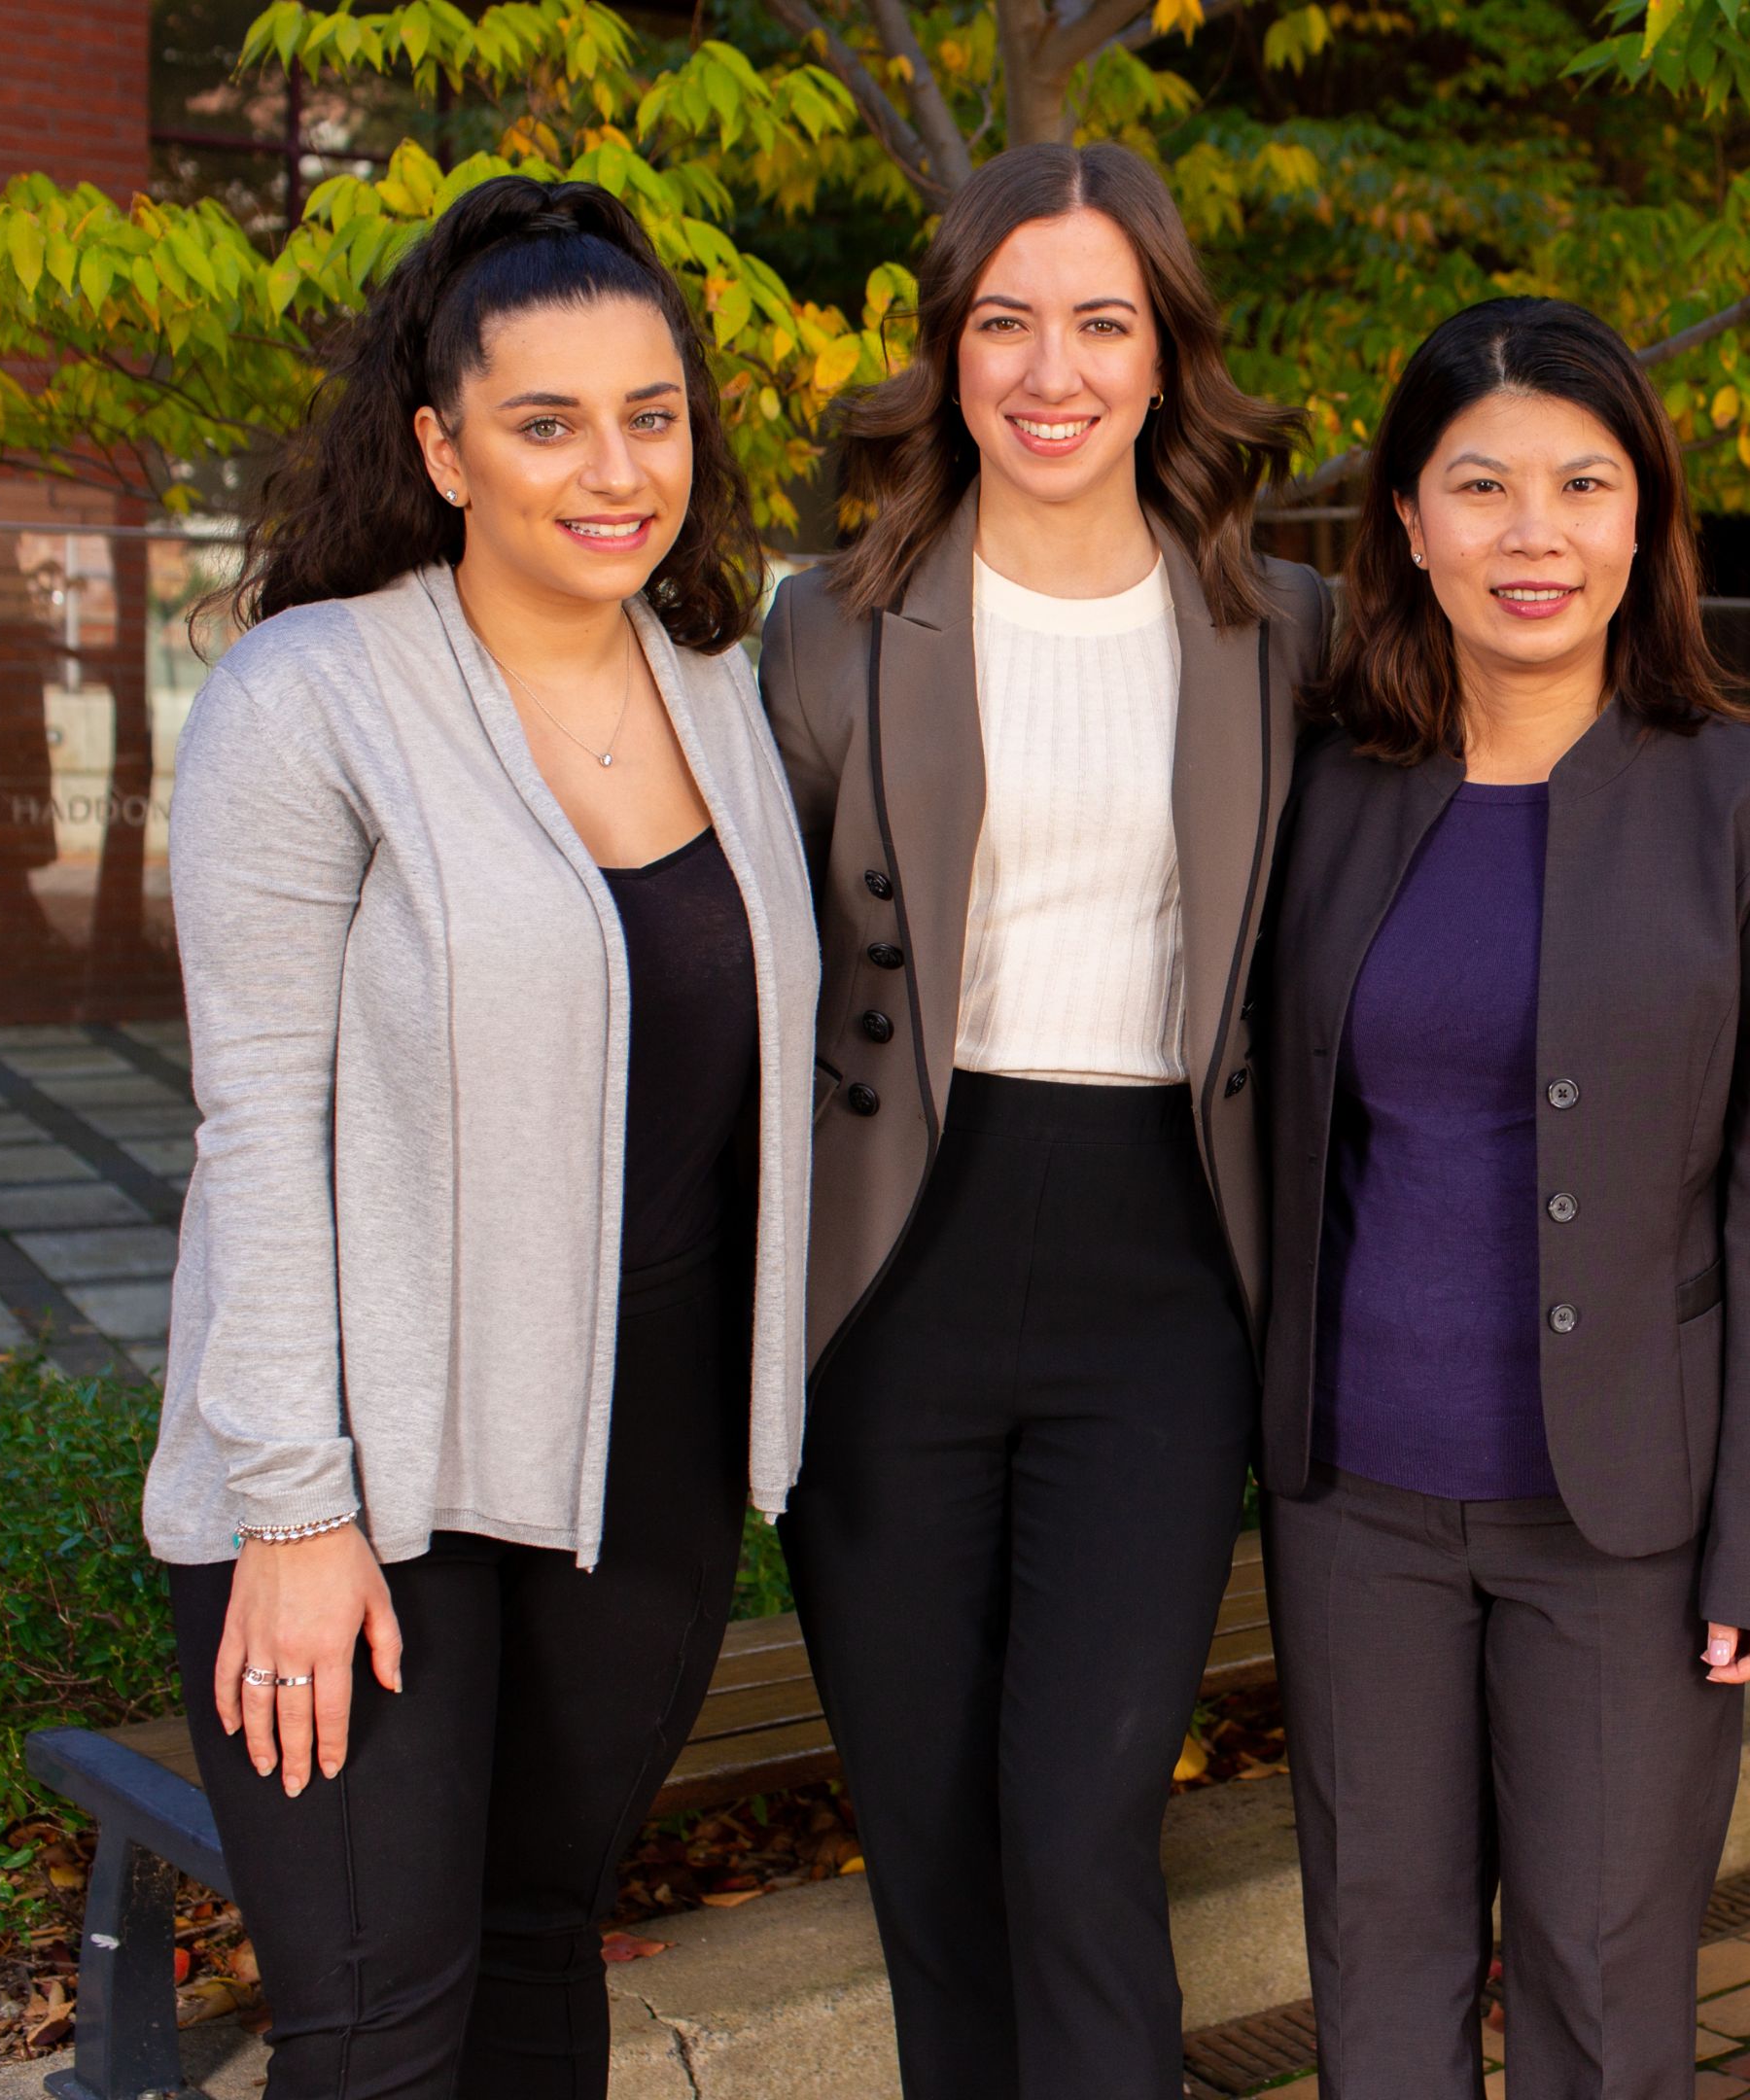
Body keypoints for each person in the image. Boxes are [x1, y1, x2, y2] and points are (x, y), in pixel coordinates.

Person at [142, 174, 819, 2096]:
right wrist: (293, 1507)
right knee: (376, 2040)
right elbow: (256, 1120)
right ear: (441, 446)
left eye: (651, 414)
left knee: (540, 1965)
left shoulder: (713, 684)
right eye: (545, 424)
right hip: (371, 1488)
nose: (612, 471)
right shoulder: (313, 698)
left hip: (642, 1482)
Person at [757, 141, 1327, 2099]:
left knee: (1080, 1834)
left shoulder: (1287, 634)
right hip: (894, 1274)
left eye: (1101, 320)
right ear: (949, 349)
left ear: (1168, 354)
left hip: (1162, 1283)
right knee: (926, 1846)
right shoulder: (829, 627)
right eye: (1006, 320)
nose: (1051, 366)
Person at [1256, 295, 1750, 2099]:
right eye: (1484, 485)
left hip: (1626, 1524)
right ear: (1410, 525)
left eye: (1584, 485)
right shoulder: (1327, 791)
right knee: (1378, 1969)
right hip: (1354, 1500)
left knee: (1606, 1992)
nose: (1536, 535)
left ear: (1646, 523)